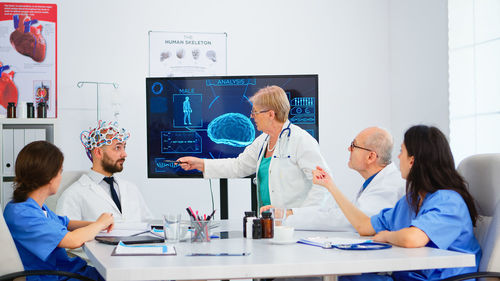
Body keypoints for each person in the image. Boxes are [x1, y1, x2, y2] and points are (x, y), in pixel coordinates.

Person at [313, 125, 481, 280]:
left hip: (441, 279)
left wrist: (386, 236)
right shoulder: (410, 201)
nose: (398, 157)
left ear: (412, 161)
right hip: (410, 277)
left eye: (402, 152)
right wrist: (330, 186)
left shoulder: (449, 201)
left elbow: (413, 239)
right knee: (351, 278)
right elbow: (364, 226)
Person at [178, 85, 331, 213]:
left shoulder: (301, 140)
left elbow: (324, 186)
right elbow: (238, 166)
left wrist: (294, 215)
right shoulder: (263, 141)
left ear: (271, 114)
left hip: (296, 229)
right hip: (270, 224)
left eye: (255, 112)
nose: (252, 116)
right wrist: (200, 164)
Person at [3, 141, 114, 280]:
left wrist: (99, 224)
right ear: (49, 176)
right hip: (57, 277)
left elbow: (66, 223)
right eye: (60, 172)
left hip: (70, 271)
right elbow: (73, 241)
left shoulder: (33, 207)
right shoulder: (21, 214)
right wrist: (99, 224)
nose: (61, 177)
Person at [280, 127, 405, 231]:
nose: (349, 149)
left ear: (371, 157)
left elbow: (351, 220)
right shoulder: (377, 182)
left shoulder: (387, 187)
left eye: (353, 145)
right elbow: (339, 212)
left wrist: (288, 218)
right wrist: (290, 213)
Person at [57, 120, 153, 222]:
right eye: (117, 148)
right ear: (98, 152)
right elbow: (65, 235)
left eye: (124, 147)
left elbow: (150, 226)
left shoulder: (131, 189)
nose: (124, 154)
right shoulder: (73, 195)